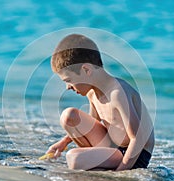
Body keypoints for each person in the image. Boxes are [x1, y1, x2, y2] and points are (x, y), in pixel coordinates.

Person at [45, 34, 154, 171]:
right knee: (69, 116)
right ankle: (98, 162)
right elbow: (92, 124)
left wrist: (121, 173)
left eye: (68, 80)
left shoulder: (118, 93)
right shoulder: (92, 92)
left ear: (86, 70)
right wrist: (63, 143)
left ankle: (100, 164)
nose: (68, 87)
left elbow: (138, 139)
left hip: (134, 154)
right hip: (114, 149)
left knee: (74, 158)